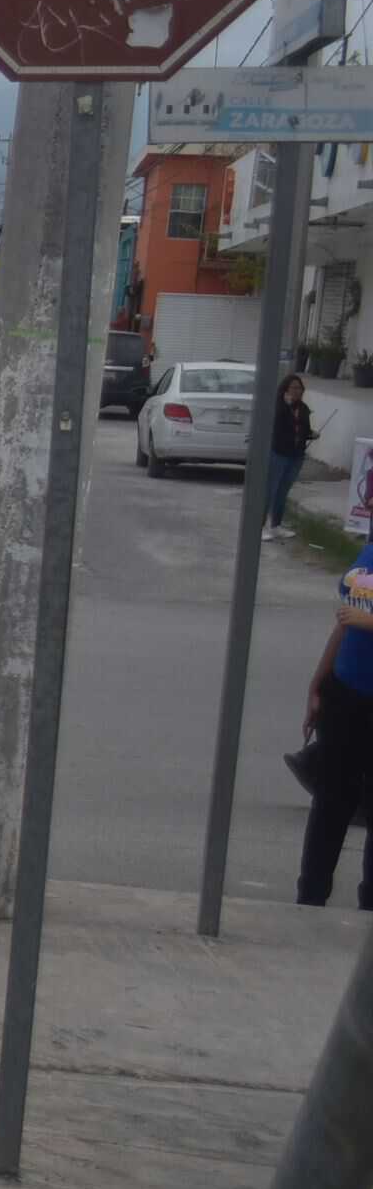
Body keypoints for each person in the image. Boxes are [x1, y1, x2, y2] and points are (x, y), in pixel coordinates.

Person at [299, 542, 373, 905]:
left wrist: (369, 620)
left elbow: (357, 617)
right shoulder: (370, 550)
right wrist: (318, 681)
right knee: (329, 804)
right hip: (344, 693)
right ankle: (308, 902)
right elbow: (344, 622)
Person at [266, 372, 318, 541]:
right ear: (285, 389)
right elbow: (276, 424)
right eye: (293, 388)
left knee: (283, 491)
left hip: (296, 455)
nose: (297, 391)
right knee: (270, 490)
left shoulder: (303, 408)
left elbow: (303, 429)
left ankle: (276, 525)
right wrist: (286, 406)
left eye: (299, 388)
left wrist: (311, 434)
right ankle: (259, 526)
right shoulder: (278, 406)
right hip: (279, 453)